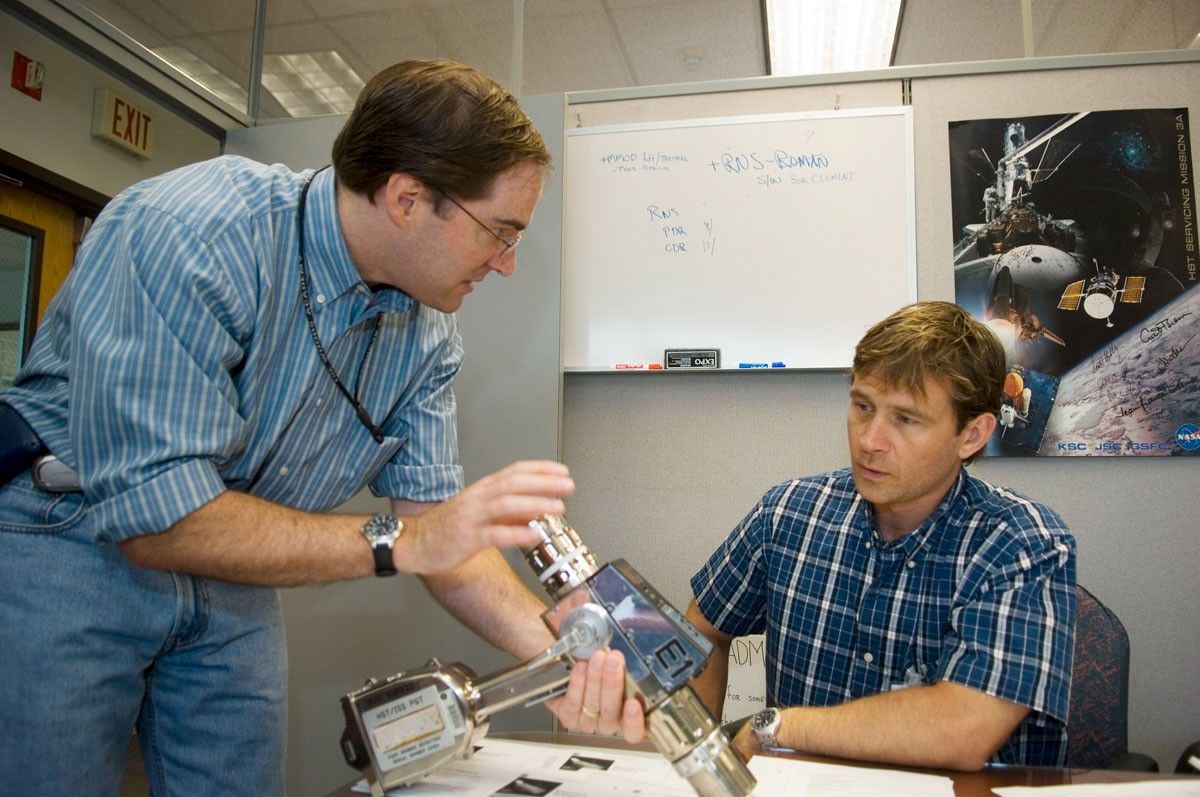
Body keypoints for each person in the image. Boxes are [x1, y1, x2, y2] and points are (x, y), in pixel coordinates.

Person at [0, 59, 638, 796]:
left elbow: (435, 528)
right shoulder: (195, 231)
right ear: (407, 197)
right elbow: (156, 518)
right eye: (499, 232)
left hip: (232, 567)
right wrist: (402, 543)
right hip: (72, 538)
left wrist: (567, 653)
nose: (508, 263)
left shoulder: (427, 334)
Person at [685, 301, 1076, 771]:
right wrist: (700, 763)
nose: (870, 440)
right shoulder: (788, 513)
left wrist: (779, 728)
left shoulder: (1023, 542)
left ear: (972, 435)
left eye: (906, 419)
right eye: (863, 406)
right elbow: (700, 632)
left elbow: (964, 729)